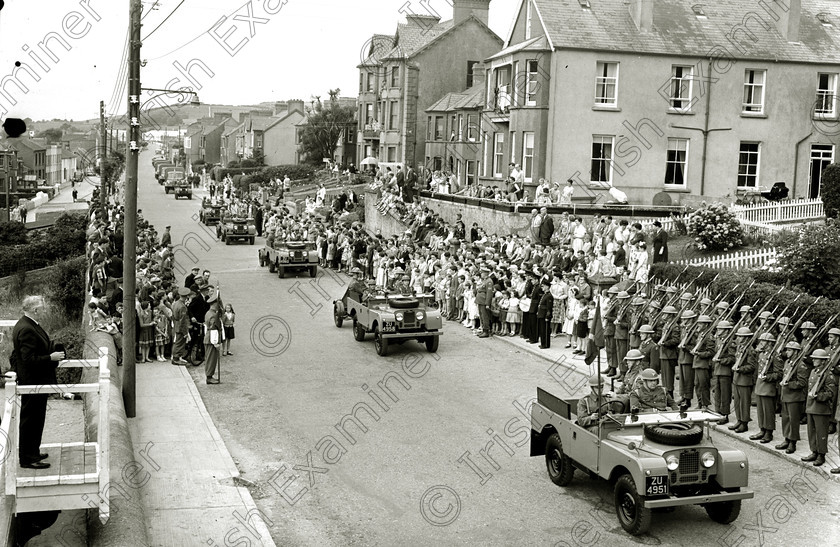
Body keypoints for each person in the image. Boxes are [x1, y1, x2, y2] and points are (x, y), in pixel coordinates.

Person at [11, 295, 65, 469]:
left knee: (35, 418)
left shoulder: (26, 324)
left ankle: (33, 451)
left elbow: (17, 356)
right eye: (42, 308)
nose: (44, 311)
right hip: (33, 382)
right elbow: (28, 359)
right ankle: (28, 458)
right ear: (35, 310)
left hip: (34, 381)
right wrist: (50, 357)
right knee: (31, 419)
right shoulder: (27, 328)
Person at [803, 349, 835, 467]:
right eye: (814, 358)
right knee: (811, 431)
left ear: (823, 361)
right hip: (811, 406)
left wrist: (818, 396)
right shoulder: (813, 371)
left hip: (821, 408)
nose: (814, 360)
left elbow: (830, 393)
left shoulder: (828, 375)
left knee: (821, 432)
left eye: (817, 359)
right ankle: (814, 451)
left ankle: (821, 454)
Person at [777, 341, 808, 454]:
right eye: (787, 349)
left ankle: (792, 442)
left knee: (793, 420)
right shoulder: (787, 362)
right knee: (785, 419)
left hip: (795, 397)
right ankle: (786, 438)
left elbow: (802, 382)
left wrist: (788, 385)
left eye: (789, 350)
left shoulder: (800, 365)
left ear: (795, 352)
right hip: (786, 396)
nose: (787, 352)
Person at [751, 332, 783, 444]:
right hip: (760, 386)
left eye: (763, 341)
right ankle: (762, 429)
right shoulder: (761, 354)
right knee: (761, 411)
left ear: (770, 343)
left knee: (768, 411)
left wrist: (767, 377)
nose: (761, 343)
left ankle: (769, 432)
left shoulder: (775, 356)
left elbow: (779, 374)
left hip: (768, 388)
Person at [729, 326, 757, 434]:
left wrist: (740, 369)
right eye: (739, 336)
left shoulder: (750, 351)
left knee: (744, 403)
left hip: (745, 380)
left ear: (746, 338)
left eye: (741, 337)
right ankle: (739, 420)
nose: (739, 338)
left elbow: (751, 366)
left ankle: (744, 423)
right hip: (737, 379)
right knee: (737, 402)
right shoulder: (740, 348)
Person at [204, 290, 223, 384]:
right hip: (211, 339)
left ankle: (209, 375)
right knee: (211, 359)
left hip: (208, 338)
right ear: (214, 304)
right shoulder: (213, 315)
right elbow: (213, 329)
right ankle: (209, 377)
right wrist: (216, 343)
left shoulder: (209, 313)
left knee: (209, 358)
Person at [171, 287, 191, 365]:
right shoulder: (182, 306)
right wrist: (185, 332)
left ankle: (176, 357)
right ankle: (176, 358)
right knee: (179, 344)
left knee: (177, 342)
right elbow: (183, 321)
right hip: (180, 327)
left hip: (176, 324)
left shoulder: (176, 303)